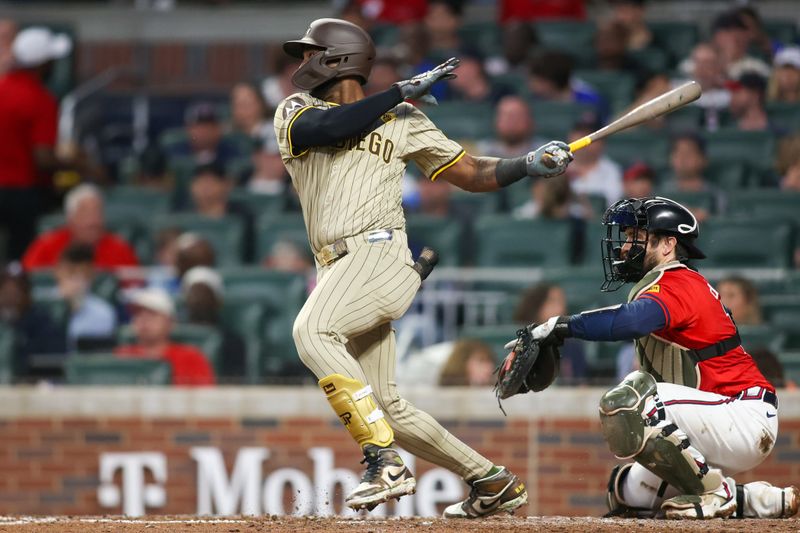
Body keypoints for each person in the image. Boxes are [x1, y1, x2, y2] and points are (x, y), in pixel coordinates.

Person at [275, 18, 572, 518]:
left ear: (338, 58)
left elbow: (472, 172)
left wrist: (527, 163)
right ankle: (492, 480)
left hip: (379, 254)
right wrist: (394, 94)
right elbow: (330, 127)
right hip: (336, 269)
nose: (302, 62)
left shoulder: (403, 118)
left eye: (310, 52)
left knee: (312, 332)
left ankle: (383, 460)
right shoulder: (297, 110)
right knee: (388, 408)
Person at [507, 196, 798, 519]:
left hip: (741, 413)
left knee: (632, 399)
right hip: (712, 418)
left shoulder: (681, 281)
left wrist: (561, 326)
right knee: (627, 493)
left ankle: (716, 492)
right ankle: (757, 500)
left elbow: (631, 321)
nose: (625, 247)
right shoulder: (668, 282)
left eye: (636, 238)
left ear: (668, 244)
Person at [0, 27, 81, 260]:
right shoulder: (40, 99)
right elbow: (43, 157)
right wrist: (75, 164)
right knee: (19, 260)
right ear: (41, 64)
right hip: (21, 192)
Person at [22, 184, 139, 271]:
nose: (93, 221)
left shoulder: (121, 249)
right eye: (85, 213)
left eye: (98, 213)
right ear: (70, 218)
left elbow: (136, 287)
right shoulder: (46, 246)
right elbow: (27, 280)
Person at [115, 287, 215, 386]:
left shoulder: (192, 359)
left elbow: (206, 398)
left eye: (152, 314)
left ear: (170, 322)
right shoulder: (122, 357)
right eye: (138, 314)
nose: (144, 320)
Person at [512, 282, 587, 385]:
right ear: (537, 305)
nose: (561, 308)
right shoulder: (519, 339)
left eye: (562, 302)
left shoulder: (573, 346)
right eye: (553, 302)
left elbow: (581, 384)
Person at [0, 264, 65, 379]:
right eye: (5, 290)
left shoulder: (43, 322)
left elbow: (56, 365)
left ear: (28, 293)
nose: (11, 296)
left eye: (18, 289)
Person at [181, 266, 246, 382]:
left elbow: (234, 380)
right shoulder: (176, 337)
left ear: (217, 300)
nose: (197, 299)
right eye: (193, 293)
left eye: (204, 293)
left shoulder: (232, 341)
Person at [188, 162, 255, 263]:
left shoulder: (243, 218)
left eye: (210, 182)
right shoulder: (183, 216)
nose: (204, 188)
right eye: (199, 182)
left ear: (226, 185)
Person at [54, 243, 117, 350]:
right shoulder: (41, 306)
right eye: (70, 273)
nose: (75, 280)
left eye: (82, 274)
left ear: (91, 275)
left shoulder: (103, 312)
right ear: (57, 272)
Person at [564, 116, 623, 207]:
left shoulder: (612, 171)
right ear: (570, 136)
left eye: (591, 135)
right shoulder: (558, 167)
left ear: (603, 141)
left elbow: (611, 206)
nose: (584, 140)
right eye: (581, 134)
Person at [163, 102, 243, 169]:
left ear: (219, 129)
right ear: (188, 129)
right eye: (198, 127)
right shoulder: (174, 154)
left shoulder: (232, 155)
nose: (204, 132)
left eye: (209, 126)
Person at [477, 95, 543, 159]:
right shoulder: (480, 152)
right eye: (506, 116)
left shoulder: (543, 154)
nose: (511, 122)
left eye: (517, 116)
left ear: (529, 121)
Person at [709, 10, 770, 80]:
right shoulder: (698, 65)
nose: (732, 43)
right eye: (728, 35)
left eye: (737, 40)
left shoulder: (756, 69)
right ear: (717, 37)